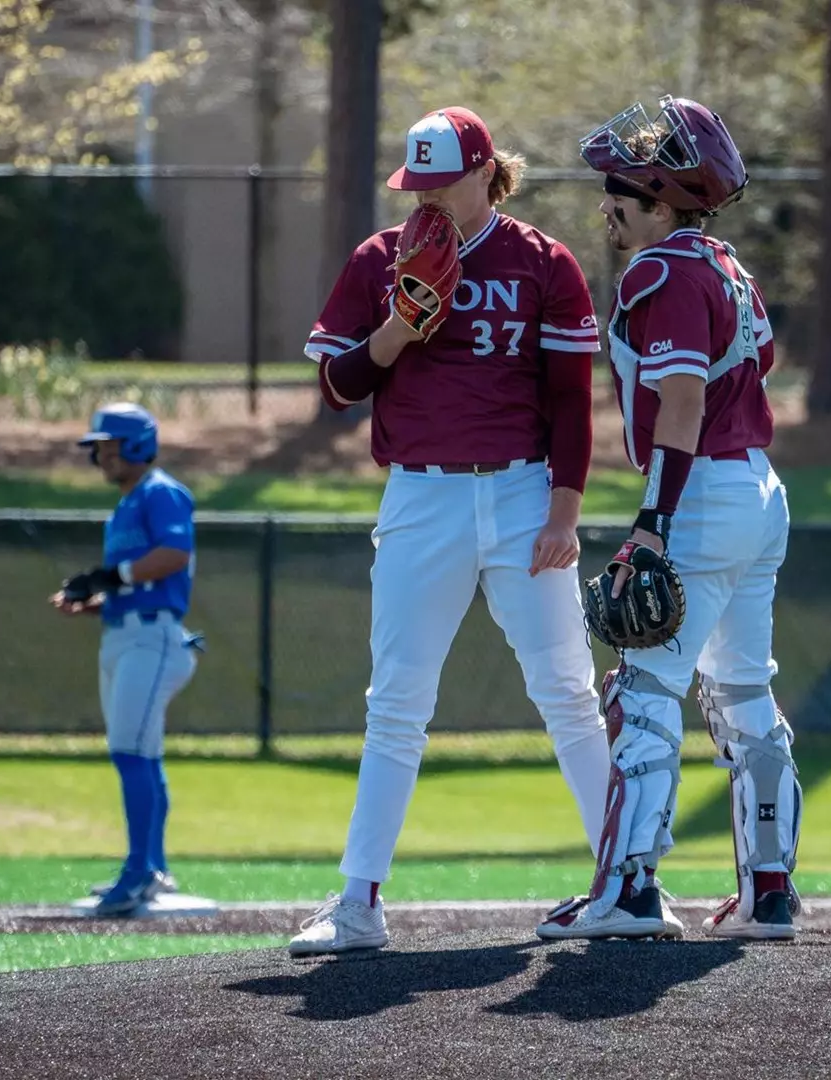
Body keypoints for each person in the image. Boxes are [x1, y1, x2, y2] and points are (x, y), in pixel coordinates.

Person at [288, 106, 610, 954]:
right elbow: (336, 386)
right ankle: (359, 902)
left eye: (440, 180)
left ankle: (625, 880)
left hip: (520, 493)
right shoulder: (377, 259)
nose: (423, 196)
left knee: (570, 693)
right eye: (414, 182)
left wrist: (566, 510)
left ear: (484, 173)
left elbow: (572, 399)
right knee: (395, 702)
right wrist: (396, 330)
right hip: (420, 497)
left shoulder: (542, 261)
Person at [536, 96, 802, 942]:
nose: (606, 202)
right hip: (758, 491)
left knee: (644, 691)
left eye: (619, 188)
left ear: (659, 199)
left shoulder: (663, 272)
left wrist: (653, 519)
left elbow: (682, 398)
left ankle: (631, 891)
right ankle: (770, 893)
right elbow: (762, 362)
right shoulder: (725, 264)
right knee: (742, 691)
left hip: (703, 494)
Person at [51, 402, 202, 917]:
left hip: (152, 638)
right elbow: (130, 580)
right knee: (142, 754)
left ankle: (139, 872)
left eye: (110, 443)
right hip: (124, 634)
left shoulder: (160, 491)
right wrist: (92, 600)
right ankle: (152, 868)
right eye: (99, 446)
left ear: (138, 444)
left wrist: (108, 579)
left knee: (129, 753)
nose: (102, 453)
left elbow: (174, 555)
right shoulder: (126, 504)